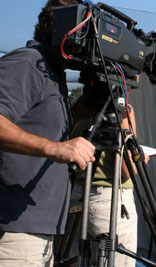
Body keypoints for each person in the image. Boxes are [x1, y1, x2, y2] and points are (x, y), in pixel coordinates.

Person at [0, 0, 96, 266]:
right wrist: (54, 148)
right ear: (65, 30)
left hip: (40, 230)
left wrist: (83, 110)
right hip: (16, 231)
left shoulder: (53, 73)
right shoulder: (29, 62)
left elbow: (41, 127)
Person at [70, 82, 148, 266]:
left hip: (76, 197)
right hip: (110, 202)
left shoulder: (79, 107)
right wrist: (141, 157)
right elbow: (127, 169)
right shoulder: (123, 110)